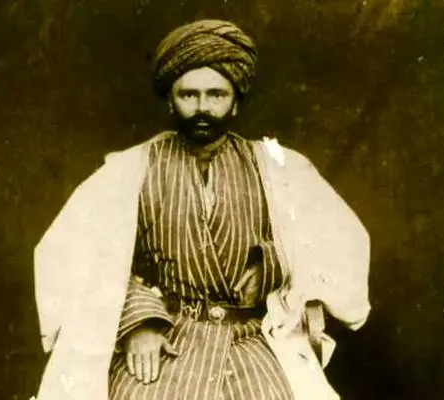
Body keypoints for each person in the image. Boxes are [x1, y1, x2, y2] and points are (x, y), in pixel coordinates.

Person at [33, 19, 371, 400]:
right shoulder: (131, 169)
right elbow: (84, 257)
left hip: (248, 339)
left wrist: (271, 267)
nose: (202, 108)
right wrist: (137, 322)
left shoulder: (278, 168)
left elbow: (333, 247)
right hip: (167, 335)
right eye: (188, 95)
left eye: (216, 95)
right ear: (170, 100)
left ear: (236, 101)